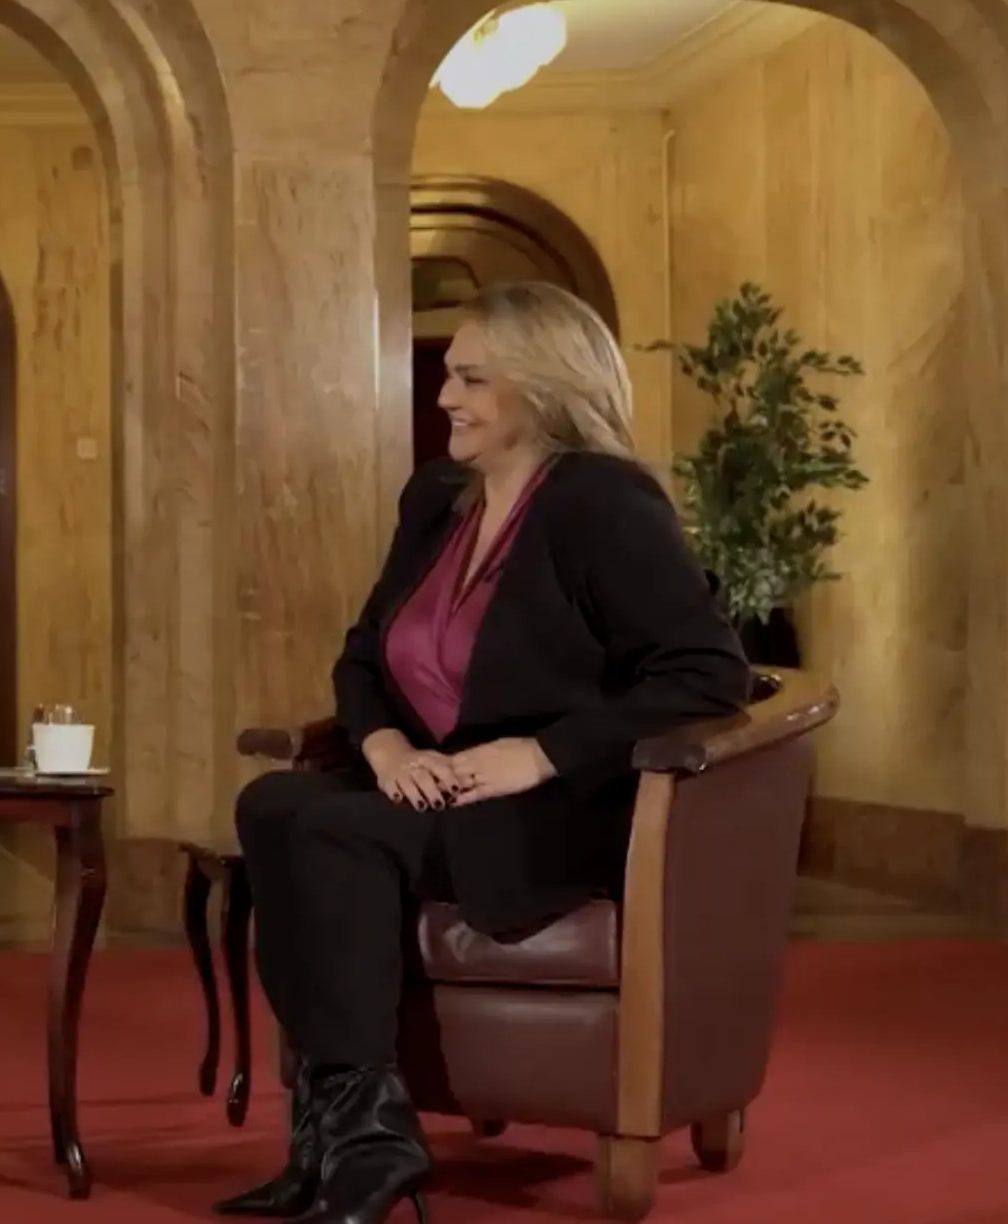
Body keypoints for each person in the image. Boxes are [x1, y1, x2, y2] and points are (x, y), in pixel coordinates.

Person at [213, 283, 750, 1224]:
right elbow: (362, 655)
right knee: (272, 805)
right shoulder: (435, 499)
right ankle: (347, 1136)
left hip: (549, 815)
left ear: (541, 387)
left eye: (471, 379)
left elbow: (710, 673)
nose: (445, 397)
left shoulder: (601, 501)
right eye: (450, 377)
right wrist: (384, 747)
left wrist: (538, 754)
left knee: (332, 831)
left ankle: (358, 1142)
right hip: (431, 793)